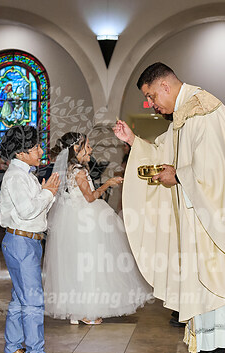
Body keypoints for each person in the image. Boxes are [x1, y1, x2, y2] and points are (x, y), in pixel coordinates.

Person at [113, 62, 225, 353]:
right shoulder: (185, 114)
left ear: (164, 86)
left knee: (211, 284)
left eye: (151, 96)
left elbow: (215, 168)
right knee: (197, 284)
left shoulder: (203, 110)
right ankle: (201, 350)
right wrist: (134, 140)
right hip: (199, 219)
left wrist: (179, 175)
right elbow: (167, 150)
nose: (150, 104)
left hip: (214, 224)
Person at [43, 132, 152, 325]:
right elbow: (90, 197)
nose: (91, 149)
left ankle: (76, 311)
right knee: (92, 264)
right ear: (76, 149)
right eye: (87, 146)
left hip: (73, 218)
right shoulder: (79, 170)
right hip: (86, 220)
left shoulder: (70, 168)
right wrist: (108, 183)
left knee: (77, 265)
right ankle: (87, 311)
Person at [0, 124, 66, 353]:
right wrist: (47, 193)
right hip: (21, 242)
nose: (41, 151)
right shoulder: (16, 176)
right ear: (21, 152)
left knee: (20, 299)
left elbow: (36, 212)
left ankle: (12, 350)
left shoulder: (25, 174)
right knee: (33, 301)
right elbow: (28, 211)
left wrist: (48, 193)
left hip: (28, 240)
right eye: (36, 147)